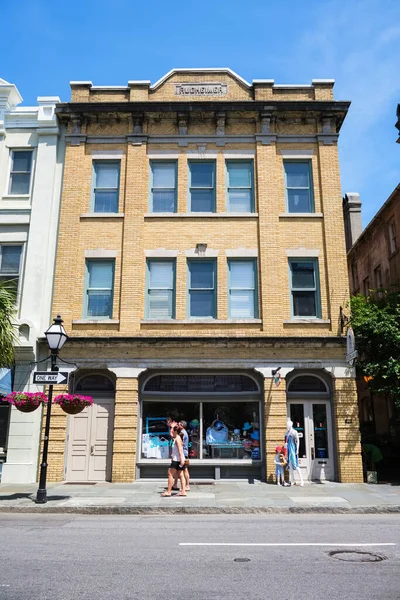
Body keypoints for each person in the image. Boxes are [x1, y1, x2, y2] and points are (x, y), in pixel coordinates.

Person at [161, 425, 187, 497]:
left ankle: (169, 491)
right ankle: (183, 491)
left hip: (177, 460)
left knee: (170, 474)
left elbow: (180, 450)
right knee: (181, 475)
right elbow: (171, 434)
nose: (171, 430)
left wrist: (181, 460)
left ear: (176, 431)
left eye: (172, 429)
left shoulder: (178, 439)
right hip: (179, 459)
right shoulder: (177, 437)